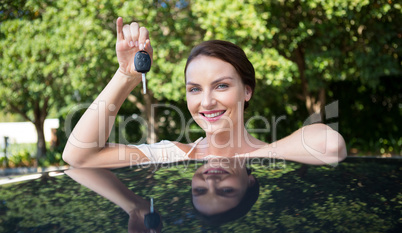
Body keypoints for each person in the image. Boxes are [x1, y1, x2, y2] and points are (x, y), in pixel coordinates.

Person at [62, 17, 347, 168]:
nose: (207, 101)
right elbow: (79, 155)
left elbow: (330, 144)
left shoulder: (274, 155)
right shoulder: (171, 154)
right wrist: (126, 76)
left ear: (246, 91)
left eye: (221, 85)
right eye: (195, 89)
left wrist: (237, 158)